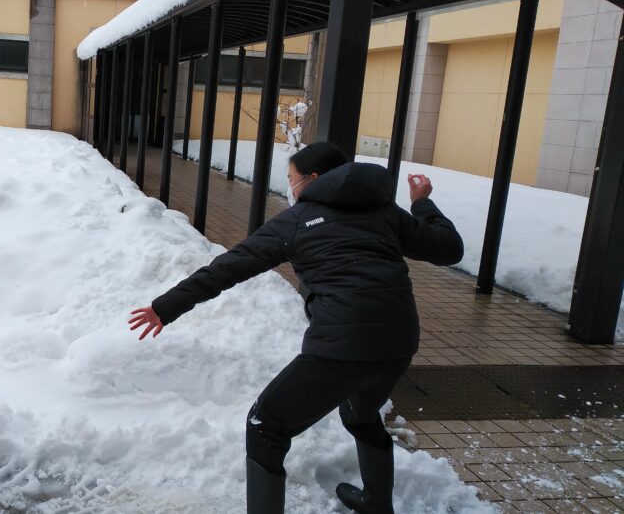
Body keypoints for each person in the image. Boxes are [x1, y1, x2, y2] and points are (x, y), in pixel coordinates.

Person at [128, 142, 463, 514]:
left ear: (313, 179)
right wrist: (421, 203)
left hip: (343, 344)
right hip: (399, 341)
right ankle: (376, 505)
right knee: (361, 413)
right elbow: (448, 247)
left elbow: (230, 267)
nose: (290, 187)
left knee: (265, 426)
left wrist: (165, 306)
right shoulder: (386, 212)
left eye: (291, 179)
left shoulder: (300, 219)